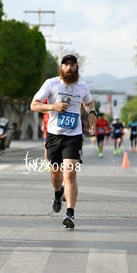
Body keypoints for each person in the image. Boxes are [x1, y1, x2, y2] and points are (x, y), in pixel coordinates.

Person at [30, 54, 97, 229]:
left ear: (76, 67)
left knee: (70, 174)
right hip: (54, 135)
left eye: (72, 65)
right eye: (66, 65)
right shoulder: (51, 84)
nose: (69, 67)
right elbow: (34, 105)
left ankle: (70, 214)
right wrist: (53, 107)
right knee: (56, 175)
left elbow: (89, 103)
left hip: (73, 137)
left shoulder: (83, 86)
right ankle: (58, 192)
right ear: (61, 67)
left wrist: (92, 113)